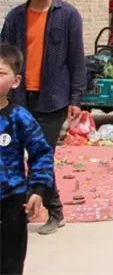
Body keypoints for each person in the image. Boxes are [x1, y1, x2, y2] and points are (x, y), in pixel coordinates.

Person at [0, 0, 84, 235]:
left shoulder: (67, 15)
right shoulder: (15, 17)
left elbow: (77, 59)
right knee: (14, 154)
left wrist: (76, 98)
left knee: (42, 153)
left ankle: (54, 210)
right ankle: (23, 209)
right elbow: (4, 55)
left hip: (53, 98)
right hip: (19, 98)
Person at [0, 44, 54, 274]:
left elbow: (41, 152)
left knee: (10, 263)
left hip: (11, 201)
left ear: (15, 81)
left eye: (0, 73)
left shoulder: (19, 117)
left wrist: (38, 190)